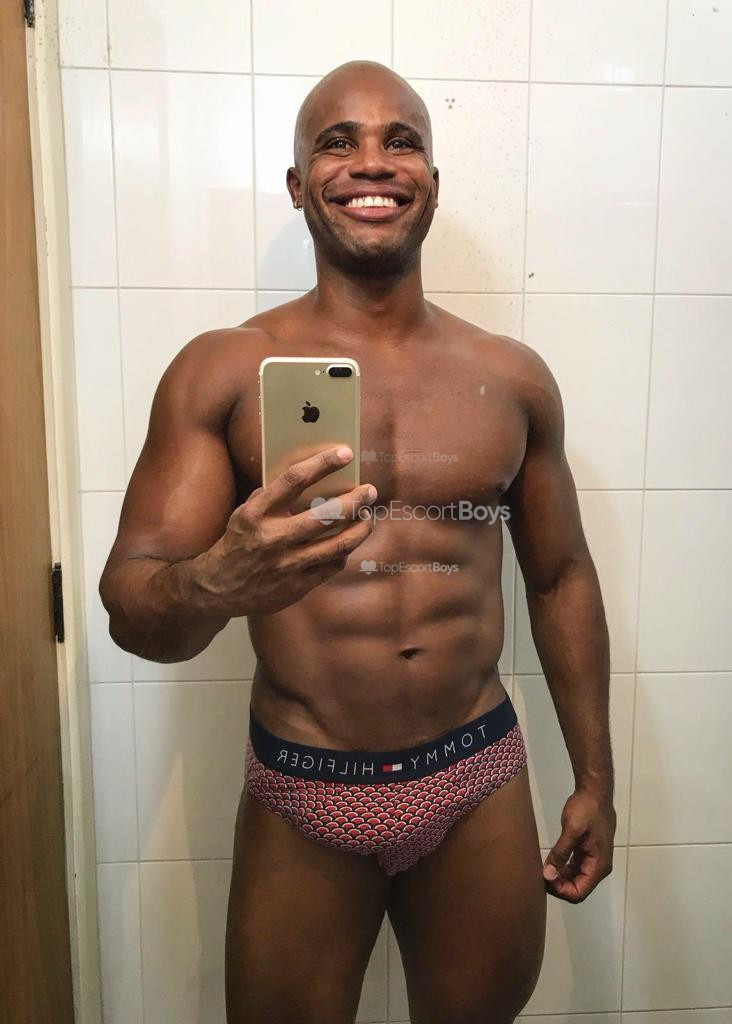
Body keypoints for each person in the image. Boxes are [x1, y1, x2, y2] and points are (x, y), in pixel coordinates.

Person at [99, 59, 616, 1024]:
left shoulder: (510, 378)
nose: (371, 162)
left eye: (400, 141)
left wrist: (595, 778)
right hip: (306, 781)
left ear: (432, 182)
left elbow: (558, 578)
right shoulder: (224, 369)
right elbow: (133, 611)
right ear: (299, 185)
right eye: (337, 143)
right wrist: (216, 582)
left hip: (475, 771)